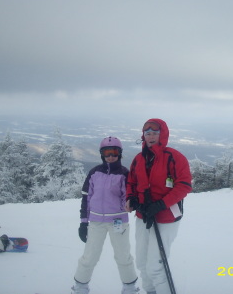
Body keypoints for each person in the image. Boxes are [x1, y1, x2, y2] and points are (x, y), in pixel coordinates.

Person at [126, 118, 192, 294]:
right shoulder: (139, 159)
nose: (151, 136)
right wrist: (131, 198)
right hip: (143, 215)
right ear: (143, 136)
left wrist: (160, 205)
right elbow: (131, 181)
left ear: (163, 135)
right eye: (148, 133)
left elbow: (184, 186)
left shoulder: (174, 157)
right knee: (142, 263)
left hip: (167, 217)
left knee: (155, 265)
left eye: (155, 133)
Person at [71, 136, 140, 294]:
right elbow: (86, 198)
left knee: (123, 256)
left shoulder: (124, 174)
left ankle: (129, 287)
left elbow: (127, 197)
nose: (110, 156)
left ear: (119, 153)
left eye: (114, 152)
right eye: (107, 152)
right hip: (96, 221)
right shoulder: (95, 172)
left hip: (118, 221)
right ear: (102, 154)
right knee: (90, 256)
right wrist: (83, 223)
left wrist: (131, 202)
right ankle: (80, 286)